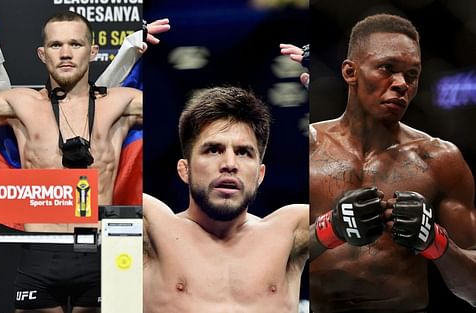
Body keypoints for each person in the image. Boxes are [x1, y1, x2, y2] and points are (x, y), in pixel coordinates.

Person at [0, 12, 168, 313]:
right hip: (39, 252)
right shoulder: (19, 105)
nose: (65, 53)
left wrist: (165, 54)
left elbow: (187, 111)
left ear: (93, 52)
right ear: (42, 54)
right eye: (56, 45)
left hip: (103, 251)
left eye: (75, 44)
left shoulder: (122, 103)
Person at [308, 13, 476, 312]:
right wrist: (329, 229)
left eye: (411, 75)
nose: (401, 84)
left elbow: (474, 291)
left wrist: (436, 242)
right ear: (350, 72)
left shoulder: (439, 160)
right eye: (387, 68)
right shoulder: (308, 149)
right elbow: (265, 258)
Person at [143, 86, 309, 312]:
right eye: (213, 150)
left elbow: (357, 209)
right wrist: (130, 57)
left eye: (243, 152)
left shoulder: (291, 229)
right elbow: (96, 183)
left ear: (260, 174)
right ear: (185, 169)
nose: (230, 164)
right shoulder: (153, 228)